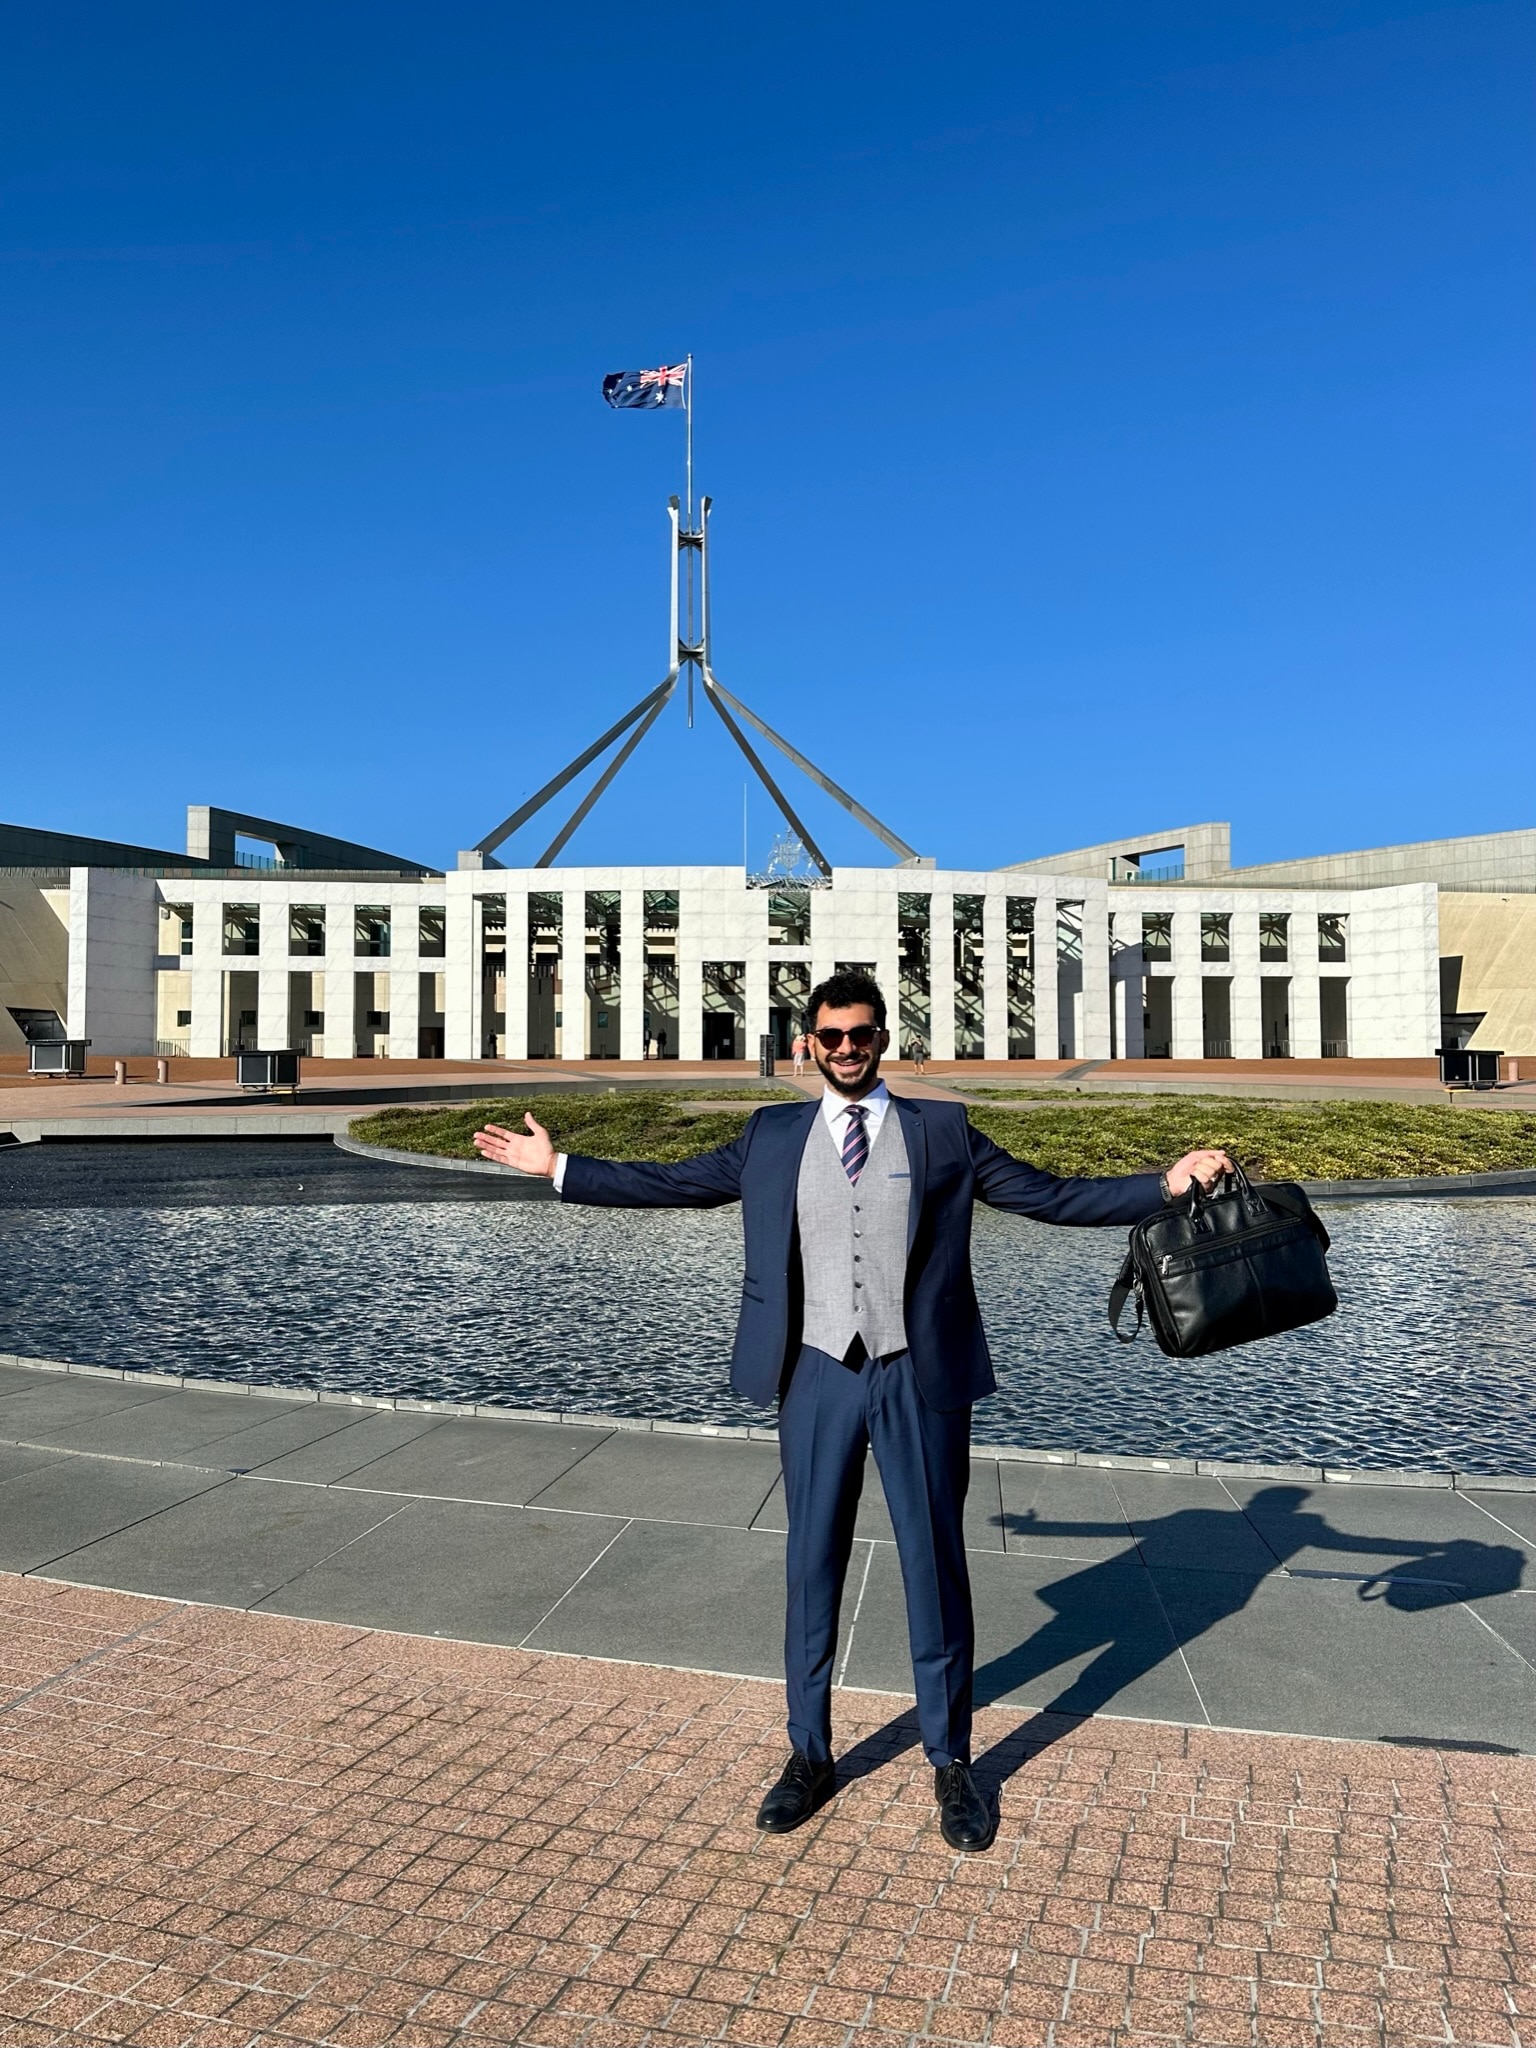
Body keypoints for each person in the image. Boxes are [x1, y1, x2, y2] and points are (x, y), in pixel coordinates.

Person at [472, 971, 1231, 1853]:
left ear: (882, 1039)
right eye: (830, 1036)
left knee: (934, 1564)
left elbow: (1051, 1196)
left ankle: (952, 1763)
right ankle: (810, 1754)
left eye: (860, 1034)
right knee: (810, 1564)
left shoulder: (941, 1130)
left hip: (920, 1375)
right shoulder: (770, 1135)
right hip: (818, 1372)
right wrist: (558, 1168)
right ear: (808, 1042)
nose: (845, 1048)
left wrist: (1166, 1184)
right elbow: (672, 1184)